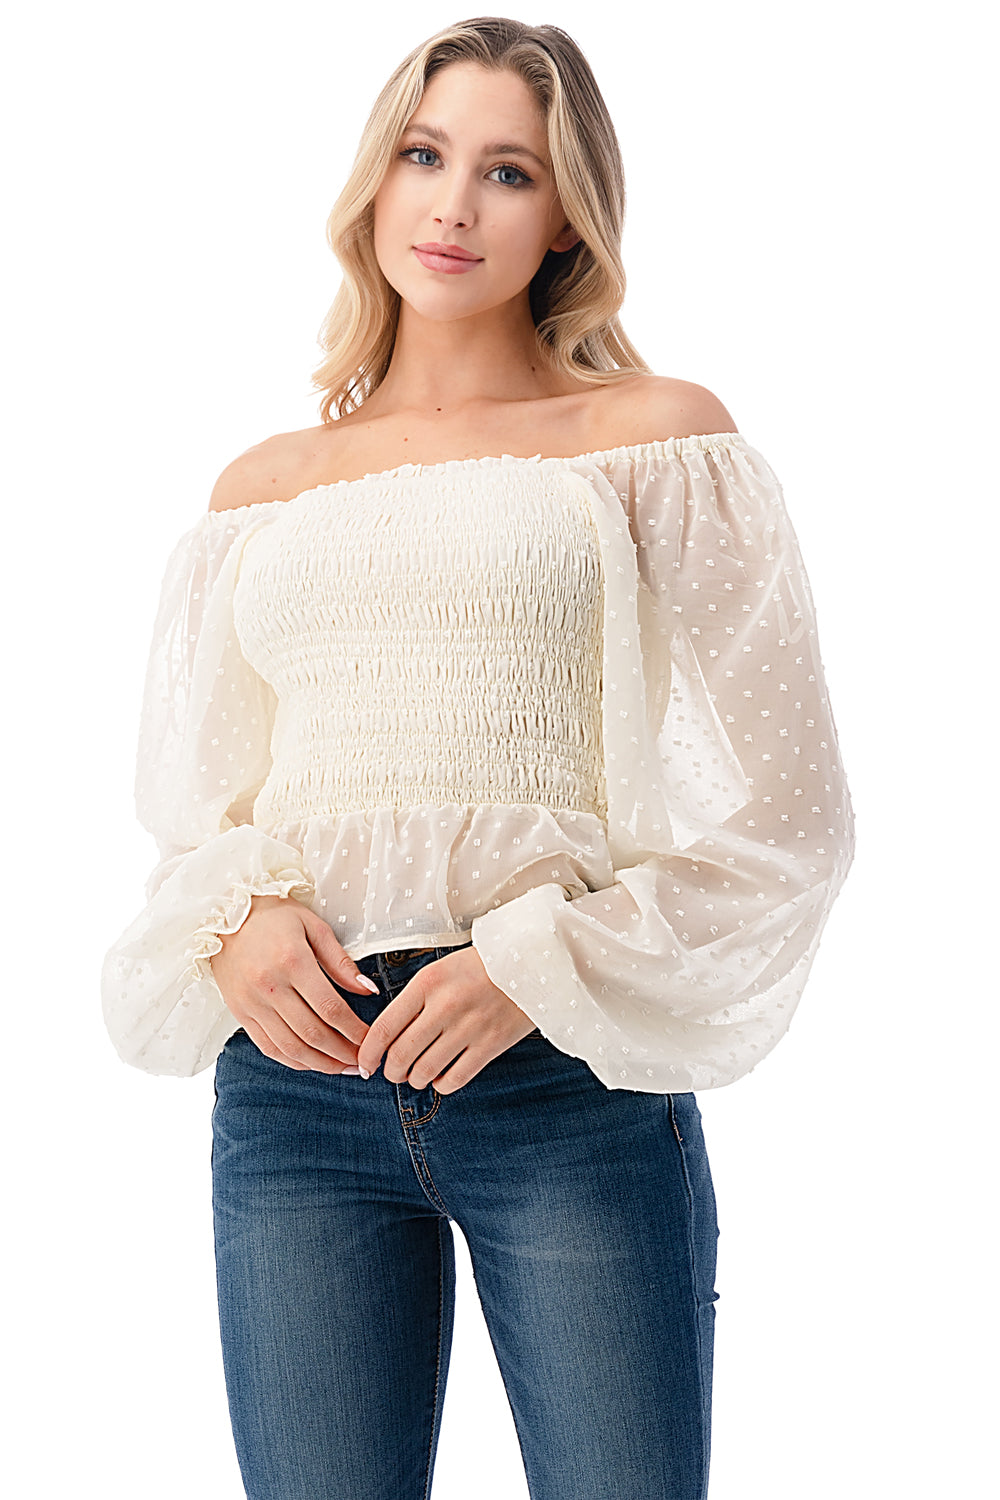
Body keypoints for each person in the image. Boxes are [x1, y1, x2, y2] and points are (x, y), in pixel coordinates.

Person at [102, 15, 855, 1500]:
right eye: (425, 154)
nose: (454, 204)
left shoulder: (654, 440)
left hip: (558, 1069)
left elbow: (787, 817)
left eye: (509, 171)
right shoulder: (262, 489)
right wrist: (232, 919)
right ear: (374, 180)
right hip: (296, 1086)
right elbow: (194, 806)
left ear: (568, 213)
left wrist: (530, 965)